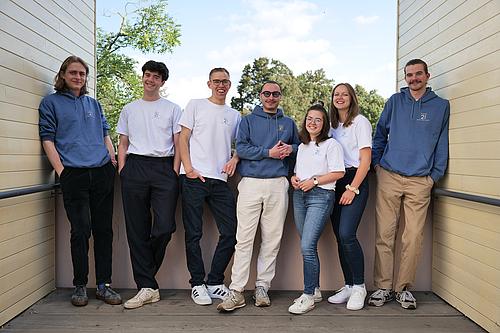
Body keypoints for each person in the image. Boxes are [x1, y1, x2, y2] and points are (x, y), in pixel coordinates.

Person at [39, 56, 121, 306]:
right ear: (63, 74)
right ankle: (80, 286)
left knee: (104, 230)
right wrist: (62, 172)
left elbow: (105, 132)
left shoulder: (93, 103)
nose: (78, 77)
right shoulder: (50, 103)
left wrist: (111, 159)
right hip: (73, 173)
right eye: (73, 72)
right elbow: (47, 139)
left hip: (101, 172)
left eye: (82, 74)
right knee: (80, 231)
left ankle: (104, 285)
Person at [369, 59, 450, 309]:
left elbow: (442, 143)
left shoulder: (441, 106)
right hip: (389, 176)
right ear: (405, 78)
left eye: (418, 74)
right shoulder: (394, 101)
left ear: (427, 75)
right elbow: (380, 134)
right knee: (385, 235)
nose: (414, 78)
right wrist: (377, 166)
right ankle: (383, 288)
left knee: (413, 237)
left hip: (420, 181)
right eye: (409, 75)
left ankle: (403, 289)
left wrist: (433, 176)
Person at [217, 81, 301, 312]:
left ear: (280, 96)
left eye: (275, 94)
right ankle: (236, 291)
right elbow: (241, 149)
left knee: (272, 239)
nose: (271, 97)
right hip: (251, 183)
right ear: (261, 96)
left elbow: (300, 148)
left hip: (278, 184)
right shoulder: (248, 120)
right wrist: (269, 153)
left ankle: (262, 287)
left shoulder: (289, 123)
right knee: (243, 239)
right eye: (267, 93)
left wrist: (292, 149)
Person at [116, 60, 182, 309]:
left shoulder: (173, 109)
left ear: (162, 82)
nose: (150, 79)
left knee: (164, 227)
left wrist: (174, 172)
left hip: (164, 169)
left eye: (156, 77)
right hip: (134, 168)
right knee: (137, 230)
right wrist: (123, 170)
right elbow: (123, 142)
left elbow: (178, 144)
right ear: (142, 77)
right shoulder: (129, 109)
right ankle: (147, 287)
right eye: (147, 75)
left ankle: (147, 280)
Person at [179, 68, 241, 305]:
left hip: (220, 181)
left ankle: (215, 281)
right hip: (194, 178)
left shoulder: (235, 115)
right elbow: (183, 139)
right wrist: (189, 169)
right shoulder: (195, 105)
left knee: (231, 231)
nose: (221, 85)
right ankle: (197, 284)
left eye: (225, 81)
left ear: (229, 84)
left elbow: (241, 145)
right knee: (193, 233)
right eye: (216, 81)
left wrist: (235, 158)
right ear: (209, 83)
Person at [288, 103, 345, 315]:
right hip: (299, 196)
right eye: (309, 118)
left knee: (307, 246)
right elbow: (298, 172)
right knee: (307, 246)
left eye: (318, 119)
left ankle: (308, 295)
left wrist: (314, 181)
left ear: (324, 124)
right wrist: (295, 179)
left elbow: (338, 172)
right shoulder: (302, 146)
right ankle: (316, 290)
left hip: (321, 197)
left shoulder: (331, 145)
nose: (312, 122)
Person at [327, 83, 372, 311]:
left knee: (347, 234)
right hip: (335, 181)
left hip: (355, 180)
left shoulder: (360, 122)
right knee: (339, 236)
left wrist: (352, 188)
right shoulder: (332, 126)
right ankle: (348, 285)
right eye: (336, 94)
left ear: (352, 98)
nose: (340, 97)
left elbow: (366, 160)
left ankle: (359, 287)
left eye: (345, 94)